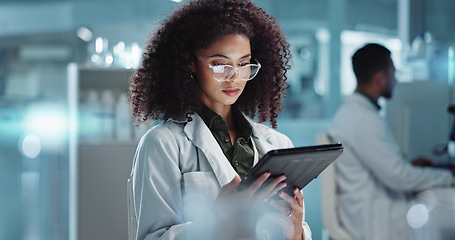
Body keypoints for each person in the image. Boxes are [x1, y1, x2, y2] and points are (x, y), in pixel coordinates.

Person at [128, 0, 312, 239]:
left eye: (244, 64)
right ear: (191, 63)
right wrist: (219, 217)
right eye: (220, 64)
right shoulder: (163, 144)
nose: (234, 78)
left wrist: (296, 232)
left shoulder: (277, 144)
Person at [327, 43, 455, 240]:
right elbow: (399, 178)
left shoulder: (354, 114)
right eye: (393, 74)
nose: (396, 80)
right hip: (375, 226)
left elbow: (389, 170)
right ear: (381, 78)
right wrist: (449, 177)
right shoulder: (362, 120)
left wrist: (411, 167)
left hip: (366, 214)